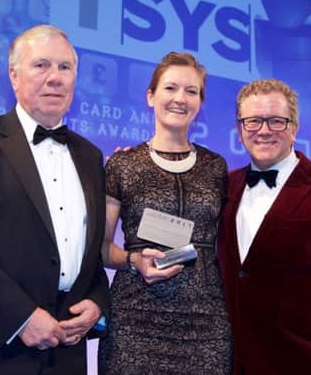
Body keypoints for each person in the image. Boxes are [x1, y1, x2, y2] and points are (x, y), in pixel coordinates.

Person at [0, 25, 110, 375]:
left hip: (65, 357)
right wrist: (21, 317)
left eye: (65, 67)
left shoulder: (90, 156)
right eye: (41, 65)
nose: (55, 78)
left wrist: (98, 305)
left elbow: (87, 255)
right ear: (14, 75)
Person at [217, 78, 311, 374]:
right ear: (240, 129)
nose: (263, 130)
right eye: (253, 121)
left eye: (276, 121)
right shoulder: (224, 187)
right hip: (234, 363)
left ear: (294, 128)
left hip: (306, 362)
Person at [97, 52, 232, 374]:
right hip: (135, 322)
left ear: (200, 101)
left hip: (205, 324)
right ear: (150, 96)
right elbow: (100, 247)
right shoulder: (123, 164)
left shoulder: (216, 167)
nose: (180, 99)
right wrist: (134, 261)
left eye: (191, 91)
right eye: (171, 88)